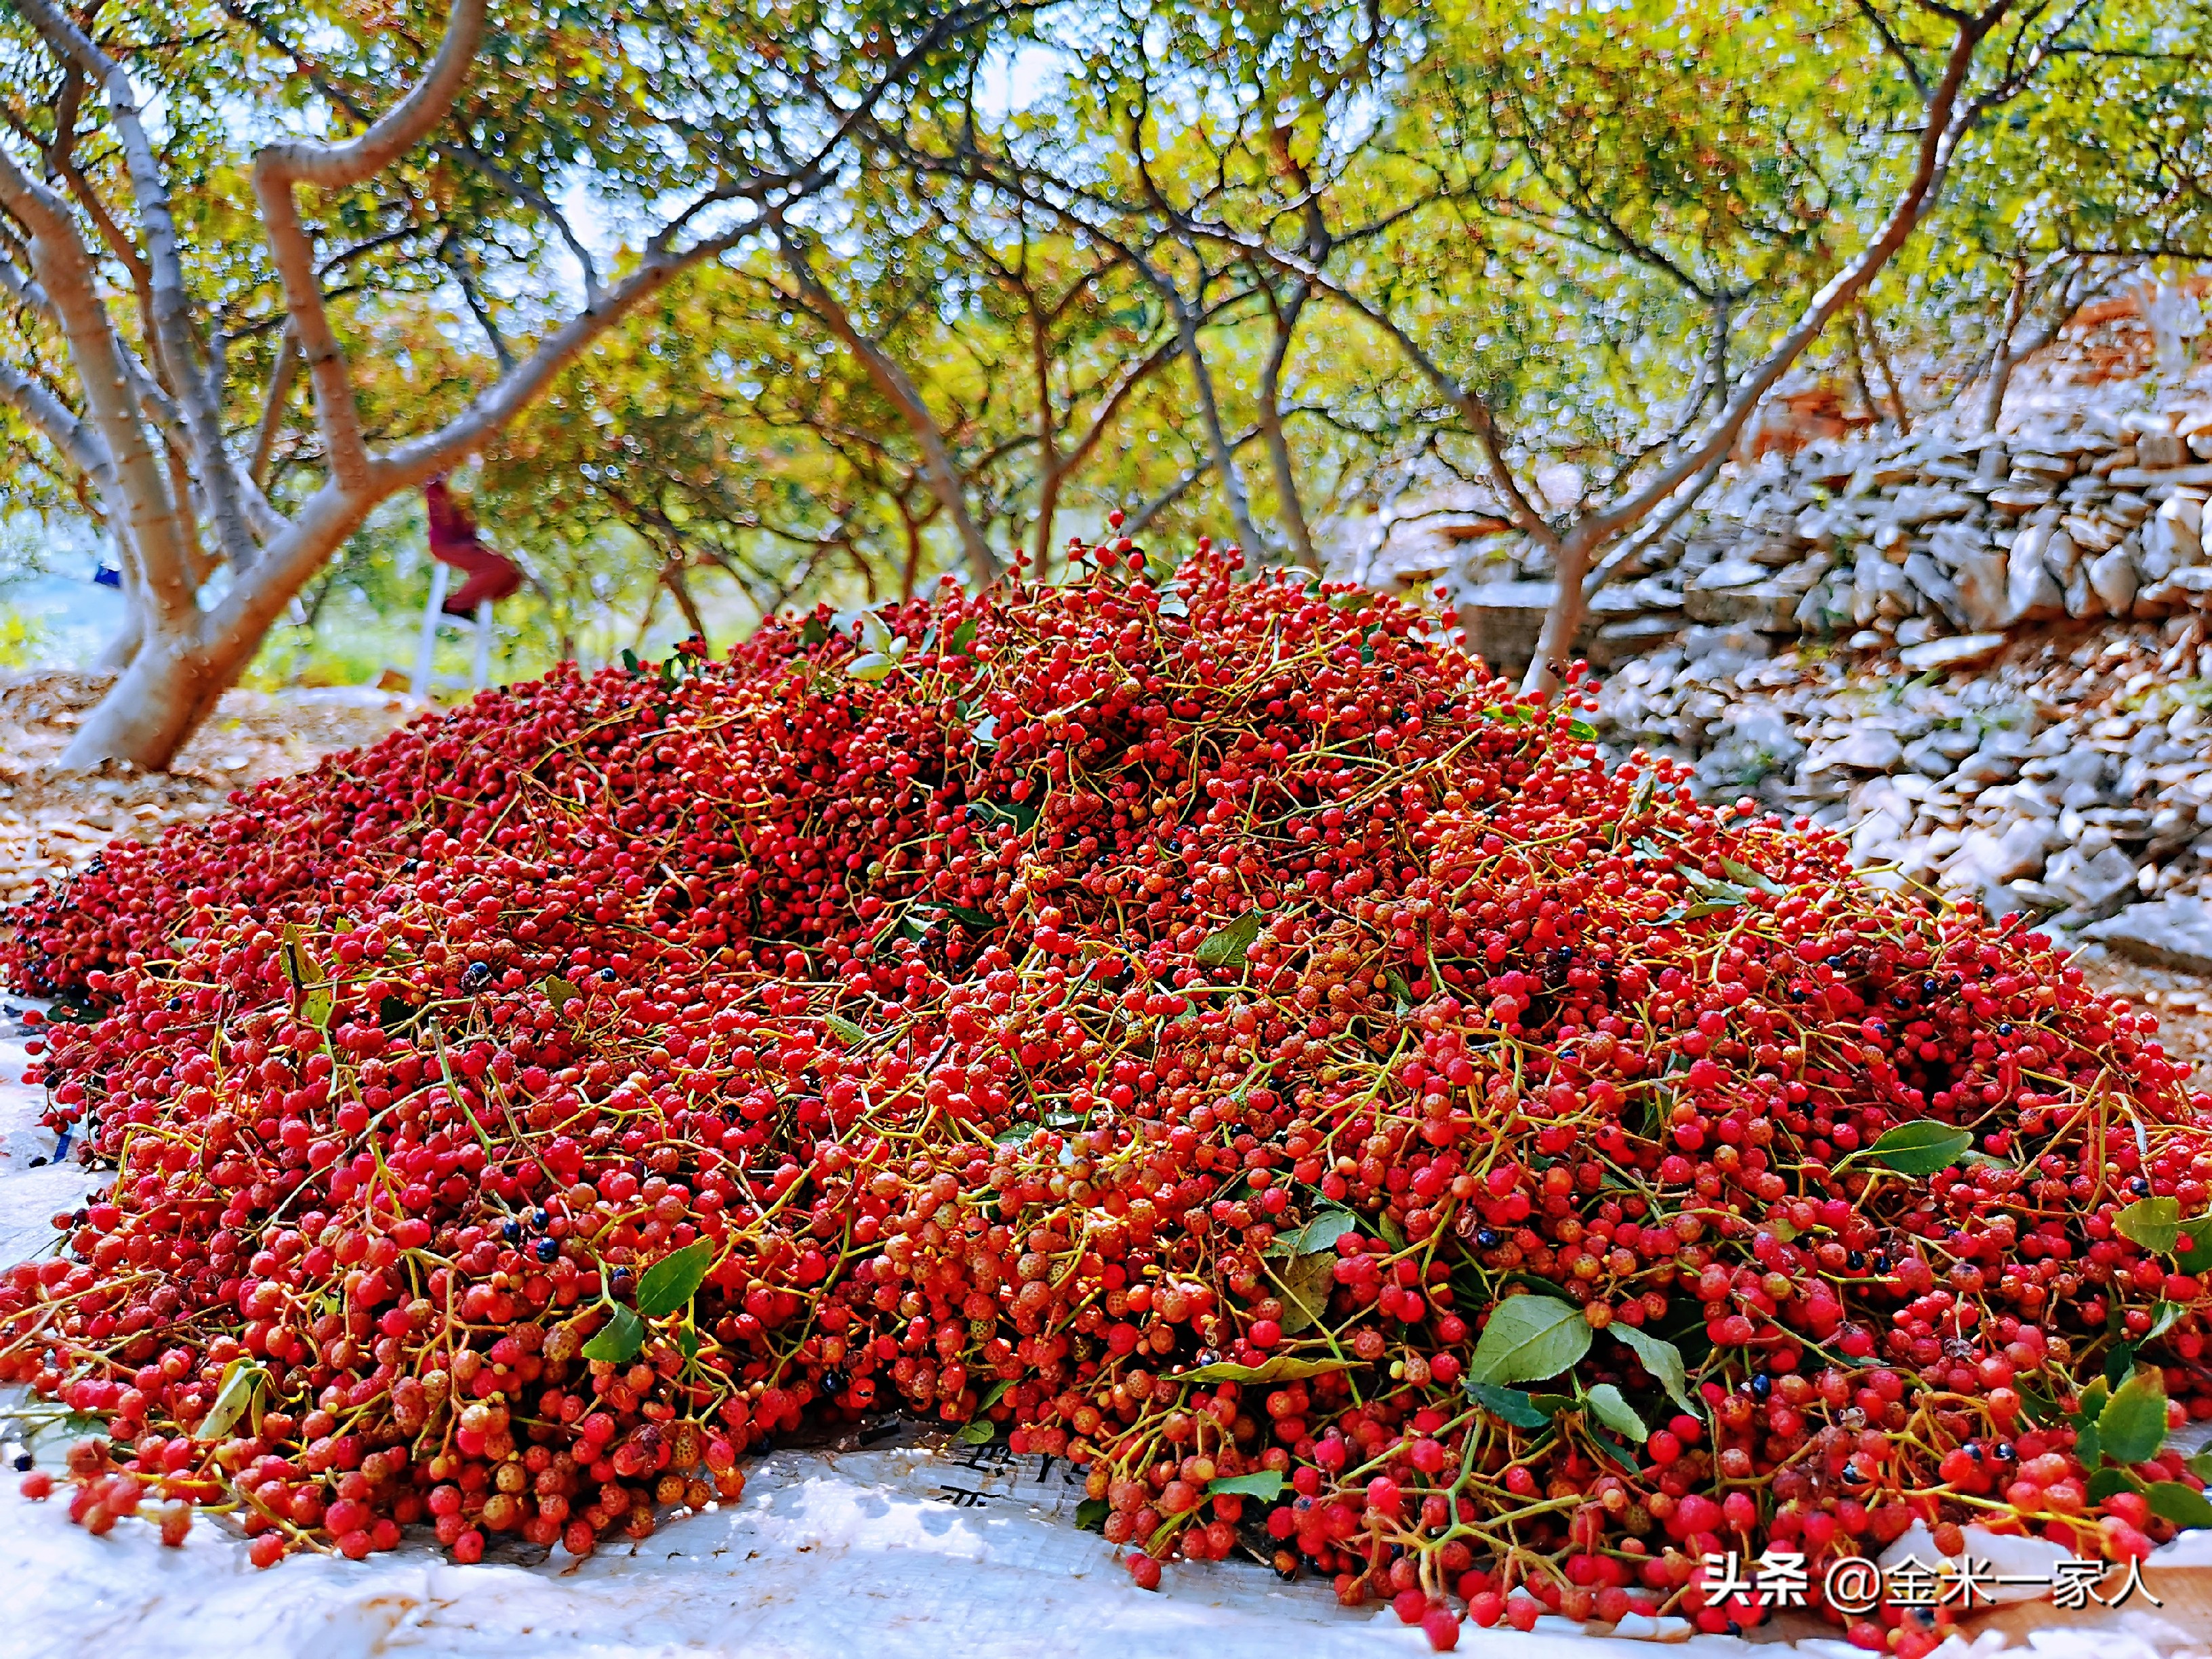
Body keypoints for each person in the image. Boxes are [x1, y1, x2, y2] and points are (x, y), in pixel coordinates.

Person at [424, 475, 524, 616]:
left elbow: (469, 531)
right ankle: (454, 606)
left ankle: (470, 604)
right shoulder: (438, 491)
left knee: (514, 577)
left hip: (463, 544)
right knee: (500, 566)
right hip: (447, 545)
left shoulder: (467, 503)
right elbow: (445, 519)